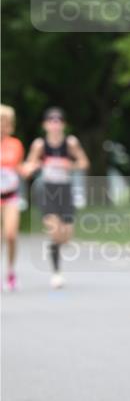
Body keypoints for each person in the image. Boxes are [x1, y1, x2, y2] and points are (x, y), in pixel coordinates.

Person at [23, 107, 89, 289]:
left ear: (63, 124)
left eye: (58, 120)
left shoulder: (70, 143)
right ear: (45, 125)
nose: (55, 124)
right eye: (51, 121)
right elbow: (28, 166)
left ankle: (58, 243)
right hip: (47, 190)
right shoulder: (39, 145)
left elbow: (84, 163)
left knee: (66, 235)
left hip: (65, 191)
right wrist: (33, 167)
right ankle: (56, 273)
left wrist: (70, 164)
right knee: (54, 231)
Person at [0, 105, 25, 292]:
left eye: (6, 122)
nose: (3, 126)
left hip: (11, 196)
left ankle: (10, 272)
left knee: (10, 235)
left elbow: (19, 169)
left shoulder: (15, 145)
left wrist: (28, 169)